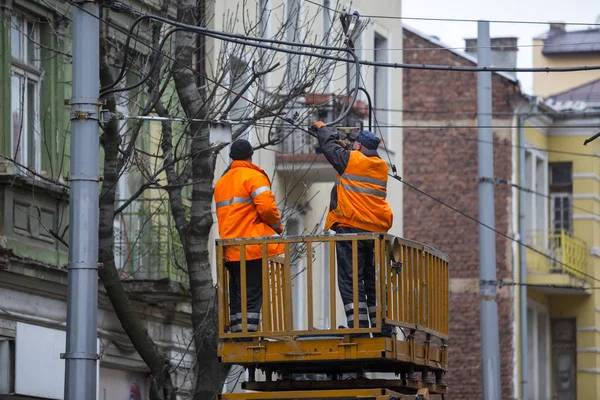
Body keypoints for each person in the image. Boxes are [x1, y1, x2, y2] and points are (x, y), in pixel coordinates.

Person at [312, 121, 394, 337]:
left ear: (358, 147)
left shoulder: (351, 160)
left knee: (350, 279)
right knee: (371, 279)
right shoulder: (381, 167)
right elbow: (346, 155)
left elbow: (331, 150)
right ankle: (382, 328)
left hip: (351, 229)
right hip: (375, 232)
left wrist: (322, 129)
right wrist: (343, 144)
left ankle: (358, 327)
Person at [214, 139, 284, 333]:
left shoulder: (222, 182)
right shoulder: (253, 176)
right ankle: (249, 334)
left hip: (229, 247)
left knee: (236, 292)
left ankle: (238, 331)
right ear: (250, 156)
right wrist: (278, 227)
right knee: (252, 292)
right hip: (250, 246)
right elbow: (267, 208)